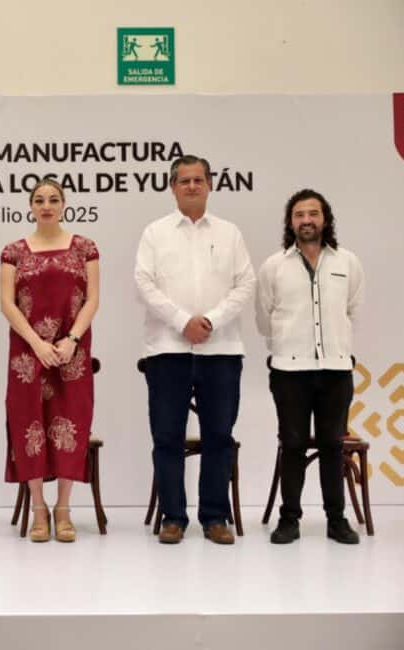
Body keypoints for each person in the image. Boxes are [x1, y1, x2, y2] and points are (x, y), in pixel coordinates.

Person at [134, 154, 255, 545]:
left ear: (209, 185)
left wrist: (212, 321)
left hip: (221, 350)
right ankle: (173, 516)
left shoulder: (229, 233)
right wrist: (181, 320)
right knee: (167, 436)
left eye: (198, 180)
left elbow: (245, 284)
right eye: (183, 180)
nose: (191, 186)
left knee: (218, 436)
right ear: (172, 187)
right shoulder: (155, 233)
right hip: (167, 350)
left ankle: (215, 517)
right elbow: (144, 284)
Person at [255, 189, 364, 545]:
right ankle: (289, 519)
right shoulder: (274, 266)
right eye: (299, 214)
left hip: (336, 370)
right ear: (290, 222)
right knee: (293, 444)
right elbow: (264, 317)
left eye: (313, 214)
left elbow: (352, 311)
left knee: (332, 445)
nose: (306, 220)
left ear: (325, 219)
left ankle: (337, 520)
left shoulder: (347, 262)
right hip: (289, 372)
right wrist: (286, 347)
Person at [0, 178, 100, 542]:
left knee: (71, 421)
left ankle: (64, 509)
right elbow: (7, 304)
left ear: (63, 205)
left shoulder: (85, 247)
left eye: (53, 199)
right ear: (30, 206)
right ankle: (39, 509)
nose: (46, 206)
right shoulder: (13, 251)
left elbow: (92, 299)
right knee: (28, 423)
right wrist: (36, 344)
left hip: (72, 353)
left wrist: (71, 340)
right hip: (27, 354)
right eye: (39, 200)